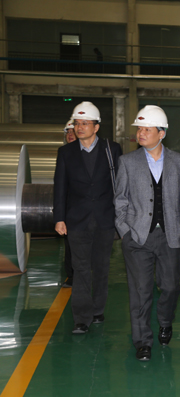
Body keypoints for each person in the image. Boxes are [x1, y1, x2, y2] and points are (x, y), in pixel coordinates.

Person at [114, 105, 180, 362]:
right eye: (139, 129)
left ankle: (165, 321)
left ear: (162, 133)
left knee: (170, 286)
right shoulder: (127, 162)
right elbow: (120, 200)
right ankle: (143, 342)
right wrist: (125, 231)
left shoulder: (179, 162)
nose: (141, 133)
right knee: (140, 290)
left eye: (146, 129)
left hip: (169, 235)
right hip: (137, 236)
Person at [53, 102, 122, 334]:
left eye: (85, 123)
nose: (79, 127)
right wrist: (59, 218)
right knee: (80, 268)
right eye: (77, 123)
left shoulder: (112, 150)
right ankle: (81, 318)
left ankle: (98, 309)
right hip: (77, 220)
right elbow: (60, 187)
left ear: (96, 127)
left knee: (101, 268)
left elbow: (121, 186)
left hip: (105, 218)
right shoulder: (66, 152)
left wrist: (121, 218)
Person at [62, 118, 77, 288]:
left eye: (73, 131)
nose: (70, 135)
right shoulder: (64, 154)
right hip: (69, 208)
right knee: (69, 245)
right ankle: (71, 276)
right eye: (68, 132)